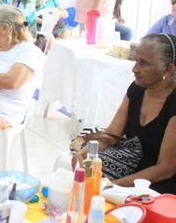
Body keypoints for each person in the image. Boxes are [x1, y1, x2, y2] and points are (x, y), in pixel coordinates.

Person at [72, 34, 176, 193]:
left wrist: (113, 186)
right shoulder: (137, 89)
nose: (135, 69)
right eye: (135, 61)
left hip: (159, 184)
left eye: (144, 63)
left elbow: (165, 169)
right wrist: (83, 153)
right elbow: (112, 135)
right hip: (132, 168)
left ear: (168, 70)